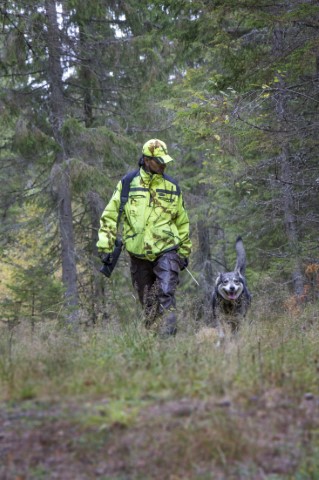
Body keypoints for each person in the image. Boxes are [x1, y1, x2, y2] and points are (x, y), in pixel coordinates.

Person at [97, 138, 192, 336]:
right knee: (148, 303)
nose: (163, 164)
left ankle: (169, 343)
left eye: (165, 160)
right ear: (147, 160)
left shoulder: (172, 187)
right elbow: (110, 215)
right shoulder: (127, 184)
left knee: (166, 293)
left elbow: (182, 222)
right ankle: (152, 343)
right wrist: (105, 246)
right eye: (159, 161)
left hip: (167, 250)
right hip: (138, 254)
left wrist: (183, 252)